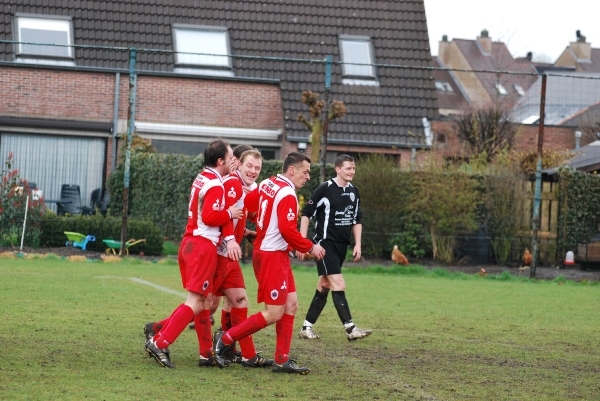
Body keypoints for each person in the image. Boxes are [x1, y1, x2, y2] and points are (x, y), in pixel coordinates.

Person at [215, 152, 326, 374]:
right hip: (271, 257)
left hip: (273, 254)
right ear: (292, 170)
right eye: (305, 172)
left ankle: (282, 360)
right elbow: (287, 230)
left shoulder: (268, 182)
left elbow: (251, 205)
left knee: (291, 304)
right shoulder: (288, 194)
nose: (308, 177)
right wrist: (309, 247)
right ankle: (226, 339)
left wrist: (263, 228)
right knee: (274, 313)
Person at [144, 139, 243, 368]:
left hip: (190, 242)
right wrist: (230, 212)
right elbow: (209, 217)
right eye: (230, 158)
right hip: (201, 246)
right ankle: (160, 341)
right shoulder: (217, 185)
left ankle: (161, 337)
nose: (233, 161)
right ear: (220, 161)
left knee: (199, 302)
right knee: (197, 302)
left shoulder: (203, 177)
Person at [297, 154, 372, 341]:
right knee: (339, 284)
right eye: (348, 168)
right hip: (324, 244)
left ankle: (306, 328)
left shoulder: (354, 191)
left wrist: (358, 244)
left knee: (324, 285)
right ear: (338, 169)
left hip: (342, 245)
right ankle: (351, 329)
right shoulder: (325, 189)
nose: (352, 171)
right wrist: (303, 241)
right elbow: (306, 213)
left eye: (353, 168)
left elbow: (357, 220)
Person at [211, 148, 273, 368]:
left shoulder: (251, 187)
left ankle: (245, 353)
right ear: (238, 164)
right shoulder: (230, 183)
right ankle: (159, 331)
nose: (254, 171)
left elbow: (248, 214)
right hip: (217, 253)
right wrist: (230, 239)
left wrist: (246, 231)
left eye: (257, 168)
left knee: (238, 301)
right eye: (249, 166)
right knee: (204, 305)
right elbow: (222, 215)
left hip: (230, 254)